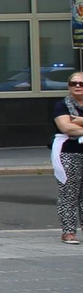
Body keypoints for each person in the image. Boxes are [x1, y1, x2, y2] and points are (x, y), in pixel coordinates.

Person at [54, 72, 83, 243]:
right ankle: (68, 232)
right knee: (69, 193)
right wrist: (73, 124)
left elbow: (74, 126)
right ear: (69, 86)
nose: (77, 86)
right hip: (69, 153)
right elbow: (66, 128)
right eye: (74, 83)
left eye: (81, 83)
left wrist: (79, 121)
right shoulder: (62, 105)